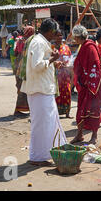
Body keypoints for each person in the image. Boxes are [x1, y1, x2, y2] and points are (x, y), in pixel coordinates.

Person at [20, 18, 67, 166]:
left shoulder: (40, 41)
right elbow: (37, 66)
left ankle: (45, 153)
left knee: (48, 123)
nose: (56, 34)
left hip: (43, 89)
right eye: (55, 32)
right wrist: (52, 59)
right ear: (50, 31)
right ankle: (37, 157)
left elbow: (42, 63)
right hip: (39, 90)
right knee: (41, 125)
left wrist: (53, 62)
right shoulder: (39, 42)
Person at [71, 25, 101, 144]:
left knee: (93, 111)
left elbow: (95, 66)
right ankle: (79, 135)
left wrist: (90, 83)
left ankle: (94, 136)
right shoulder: (83, 47)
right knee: (81, 110)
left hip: (92, 86)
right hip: (84, 85)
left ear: (77, 37)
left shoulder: (90, 47)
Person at [13, 26, 35, 117]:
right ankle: (21, 109)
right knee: (26, 89)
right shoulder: (31, 41)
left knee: (21, 88)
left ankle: (21, 109)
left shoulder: (20, 40)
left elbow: (15, 53)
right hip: (25, 68)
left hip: (18, 66)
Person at [53, 30, 73, 118]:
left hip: (65, 74)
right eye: (57, 35)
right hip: (55, 74)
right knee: (56, 93)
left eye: (61, 35)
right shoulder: (51, 47)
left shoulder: (66, 47)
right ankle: (55, 112)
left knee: (67, 91)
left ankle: (67, 112)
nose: (59, 37)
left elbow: (70, 58)